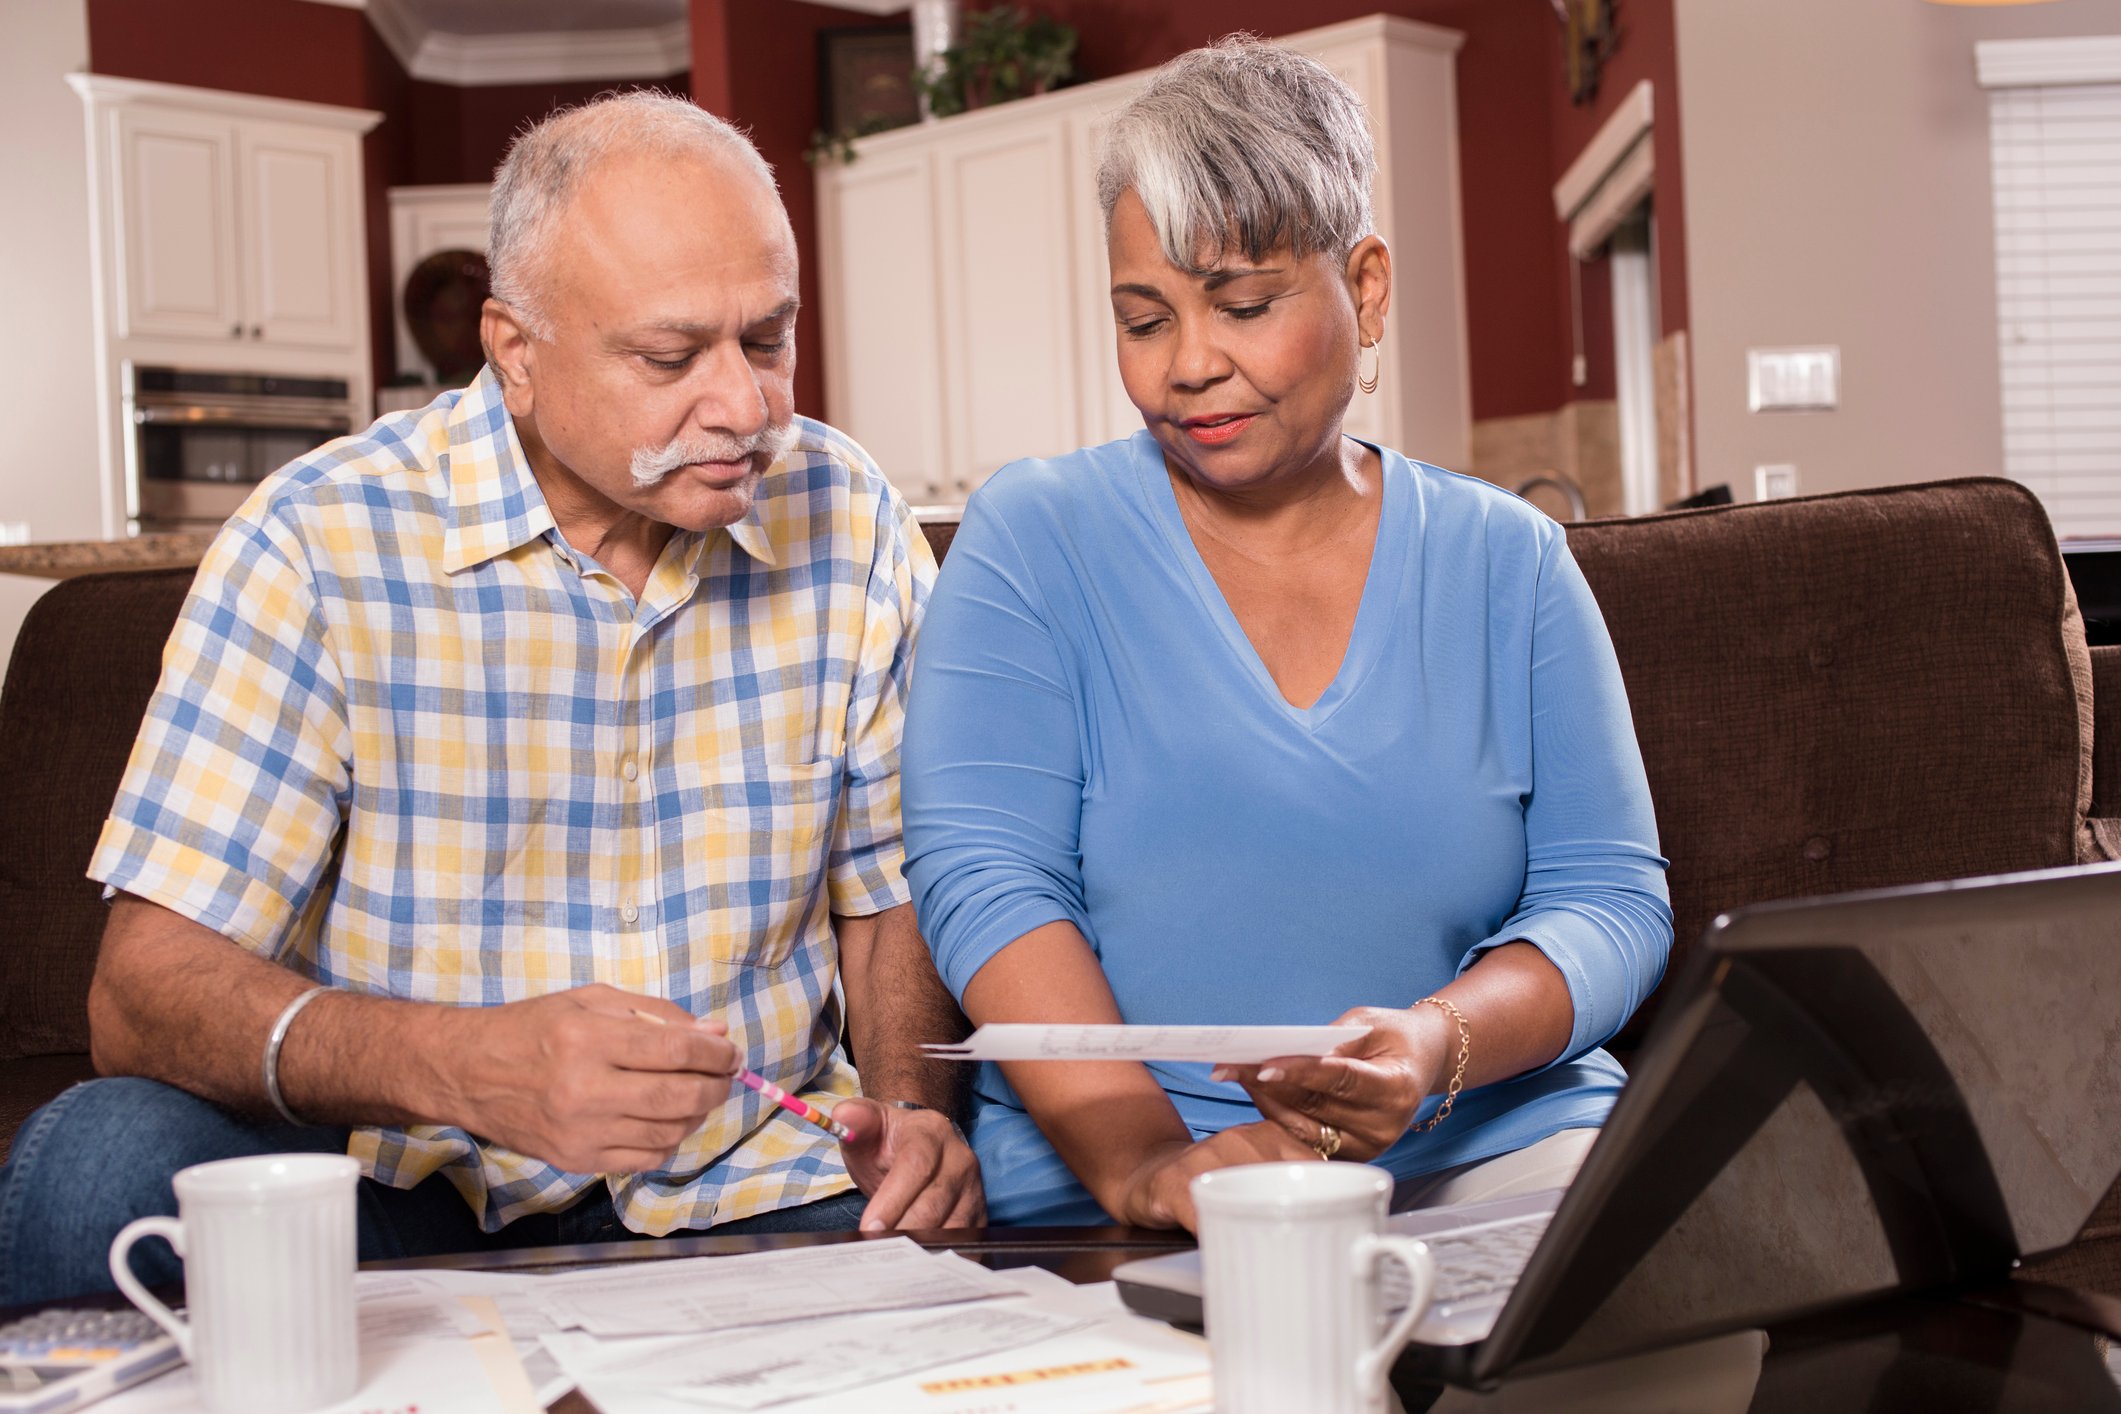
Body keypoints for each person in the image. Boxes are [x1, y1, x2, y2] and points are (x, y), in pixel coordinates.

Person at [0, 91, 979, 1307]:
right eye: (671, 358)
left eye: (768, 340)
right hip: (391, 1194)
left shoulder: (852, 515)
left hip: (752, 1181)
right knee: (101, 1160)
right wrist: (467, 1067)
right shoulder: (319, 541)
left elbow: (893, 897)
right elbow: (142, 993)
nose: (744, 408)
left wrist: (908, 1116)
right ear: (515, 352)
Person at [901, 38, 1673, 1231]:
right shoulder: (1034, 538)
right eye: (1144, 320)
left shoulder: (1509, 563)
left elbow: (1612, 900)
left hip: (1494, 1148)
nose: (1191, 367)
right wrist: (1150, 1163)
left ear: (1365, 289)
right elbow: (988, 881)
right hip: (1109, 1179)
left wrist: (1432, 1047)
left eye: (1245, 304)